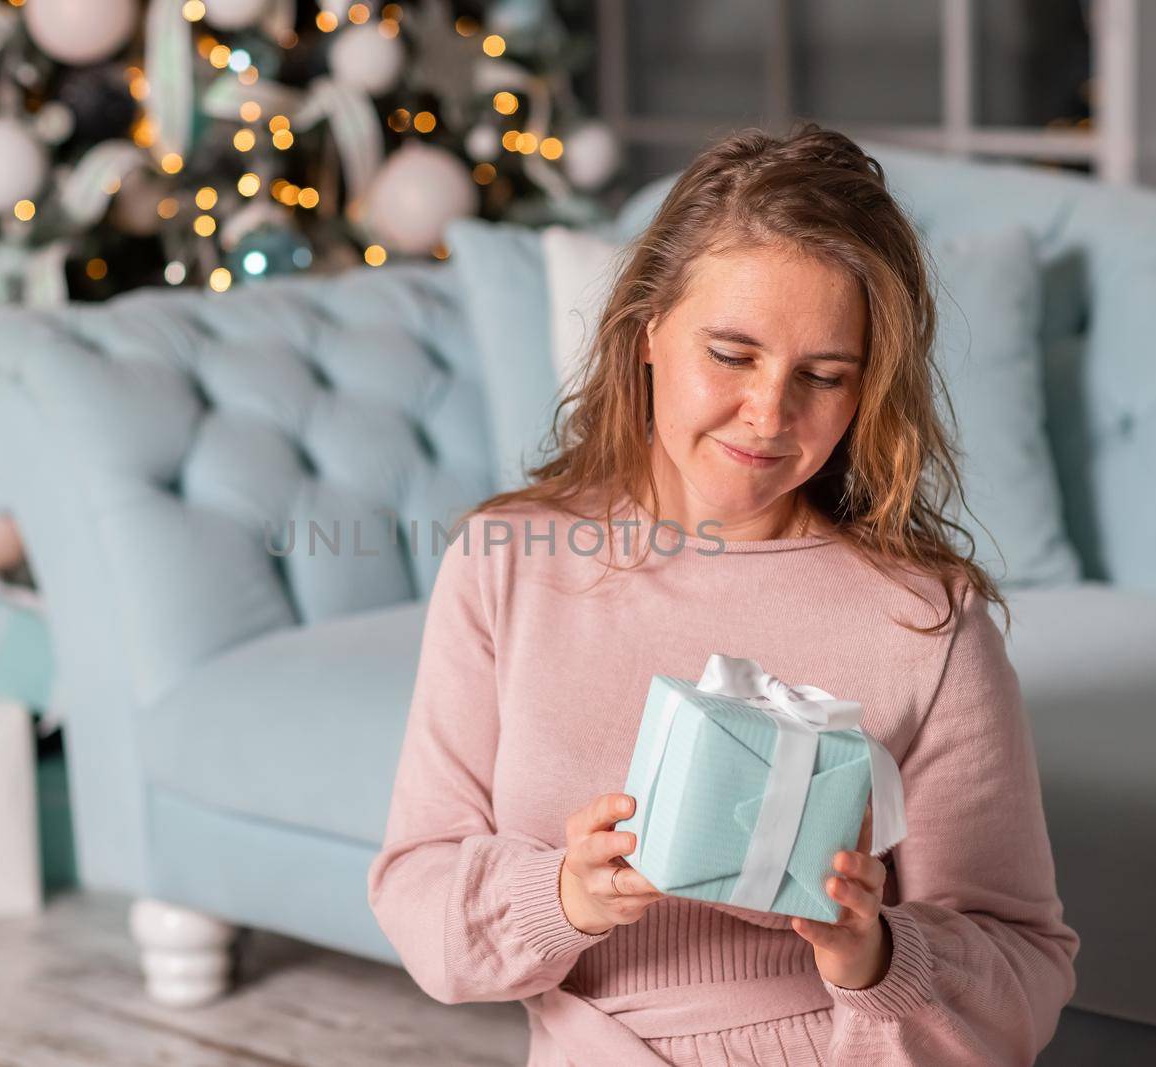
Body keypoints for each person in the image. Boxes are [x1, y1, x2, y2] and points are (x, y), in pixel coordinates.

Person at [366, 122, 1079, 1066]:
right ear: (649, 331)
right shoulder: (506, 563)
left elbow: (1023, 970)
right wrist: (569, 898)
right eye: (733, 355)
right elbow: (418, 891)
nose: (769, 414)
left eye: (823, 376)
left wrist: (874, 953)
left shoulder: (925, 619)